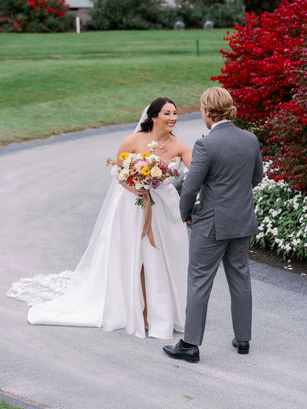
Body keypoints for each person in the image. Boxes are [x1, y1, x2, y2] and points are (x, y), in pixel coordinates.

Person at [7, 98, 192, 340]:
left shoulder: (179, 146)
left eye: (175, 113)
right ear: (154, 116)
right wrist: (135, 188)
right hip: (132, 208)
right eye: (167, 113)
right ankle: (139, 311)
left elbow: (196, 172)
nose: (173, 118)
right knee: (136, 258)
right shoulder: (134, 140)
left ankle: (161, 313)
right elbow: (119, 173)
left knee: (161, 259)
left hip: (164, 211)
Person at [163, 87, 263, 362]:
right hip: (242, 221)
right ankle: (243, 340)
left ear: (207, 112)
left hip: (211, 225)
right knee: (240, 278)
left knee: (199, 281)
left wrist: (187, 214)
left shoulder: (206, 144)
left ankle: (190, 345)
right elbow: (257, 177)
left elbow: (189, 188)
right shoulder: (250, 139)